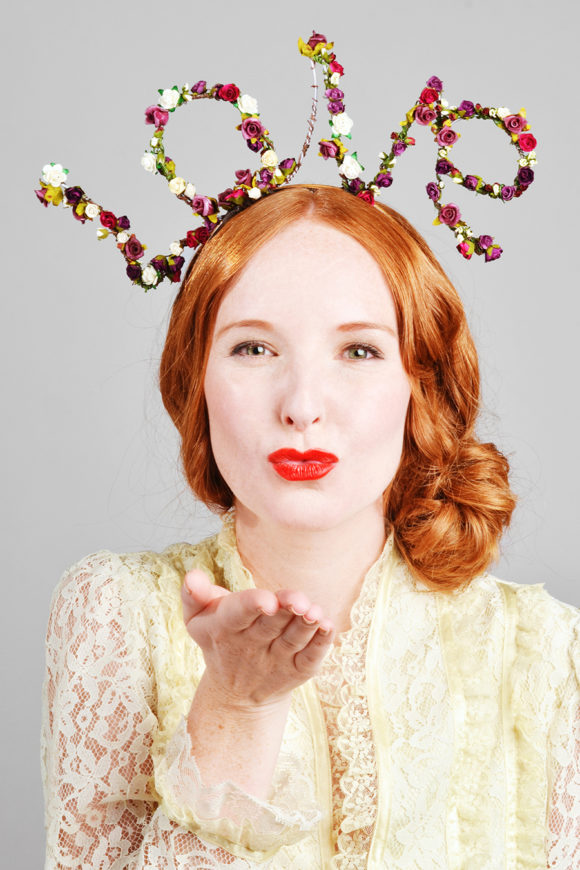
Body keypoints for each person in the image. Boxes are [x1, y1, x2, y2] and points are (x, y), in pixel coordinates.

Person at [41, 184, 579, 869]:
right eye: (253, 349)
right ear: (195, 381)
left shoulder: (550, 657)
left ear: (424, 387)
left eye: (358, 351)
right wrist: (236, 709)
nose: (301, 405)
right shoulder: (113, 611)